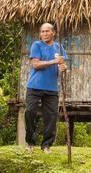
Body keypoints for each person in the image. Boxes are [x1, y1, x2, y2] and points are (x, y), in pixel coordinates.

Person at [25, 23, 67, 153]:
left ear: (53, 33)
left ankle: (46, 145)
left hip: (51, 88)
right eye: (42, 32)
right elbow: (36, 64)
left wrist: (63, 68)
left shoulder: (58, 47)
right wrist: (53, 62)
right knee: (30, 113)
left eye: (47, 31)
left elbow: (62, 65)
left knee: (51, 116)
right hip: (35, 86)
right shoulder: (36, 45)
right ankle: (30, 142)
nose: (44, 34)